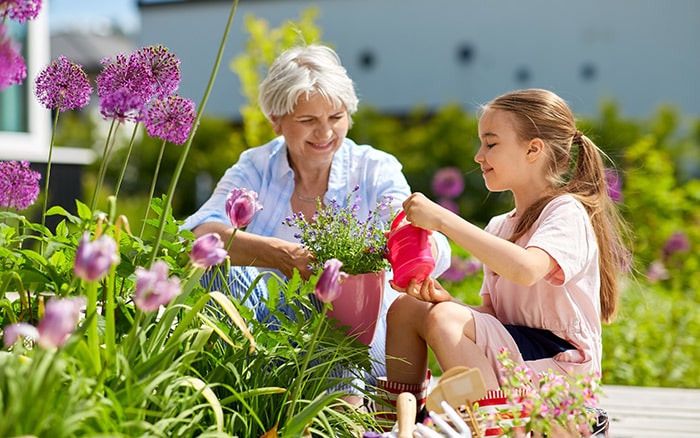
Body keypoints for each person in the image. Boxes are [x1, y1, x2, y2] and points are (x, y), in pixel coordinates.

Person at [181, 44, 450, 405]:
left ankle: (339, 413)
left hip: (359, 340)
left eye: (336, 117)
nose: (325, 133)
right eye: (308, 120)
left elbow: (411, 230)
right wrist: (282, 255)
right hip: (268, 334)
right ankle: (236, 395)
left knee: (331, 309)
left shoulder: (374, 167)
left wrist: (413, 252)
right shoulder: (256, 165)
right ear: (276, 121)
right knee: (214, 263)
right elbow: (201, 233)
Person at [379, 89, 629, 431]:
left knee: (444, 319)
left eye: (491, 143)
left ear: (533, 149)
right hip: (521, 360)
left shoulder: (566, 212)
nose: (479, 155)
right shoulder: (501, 225)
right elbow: (496, 318)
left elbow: (526, 269)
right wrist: (447, 302)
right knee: (408, 308)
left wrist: (442, 221)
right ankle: (396, 423)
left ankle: (493, 428)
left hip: (561, 375)